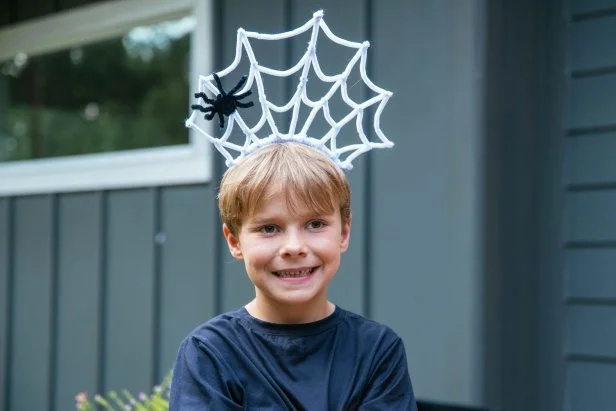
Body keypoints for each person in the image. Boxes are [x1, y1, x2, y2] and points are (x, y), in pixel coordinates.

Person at [170, 10, 418, 410]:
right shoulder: (209, 353)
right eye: (269, 228)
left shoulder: (377, 351)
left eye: (315, 223)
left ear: (344, 232)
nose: (293, 246)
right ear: (234, 239)